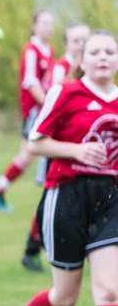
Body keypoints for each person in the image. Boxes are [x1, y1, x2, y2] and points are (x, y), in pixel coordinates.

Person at [1, 30, 118, 306]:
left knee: (110, 288)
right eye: (94, 51)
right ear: (81, 60)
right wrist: (76, 151)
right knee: (65, 297)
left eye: (110, 52)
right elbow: (35, 144)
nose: (102, 57)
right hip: (66, 197)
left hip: (111, 199)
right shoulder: (66, 93)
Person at [21, 23, 90, 273]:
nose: (81, 44)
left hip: (86, 151)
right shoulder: (60, 70)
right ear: (67, 44)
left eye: (85, 39)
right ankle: (33, 247)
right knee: (50, 198)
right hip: (60, 147)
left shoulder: (97, 70)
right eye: (76, 40)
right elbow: (54, 104)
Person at [0, 11, 55, 212]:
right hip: (36, 112)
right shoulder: (31, 50)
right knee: (28, 155)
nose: (49, 27)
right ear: (34, 26)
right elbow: (31, 82)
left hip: (42, 110)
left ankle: (1, 189)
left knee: (31, 155)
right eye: (44, 23)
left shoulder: (49, 50)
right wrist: (48, 105)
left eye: (51, 24)